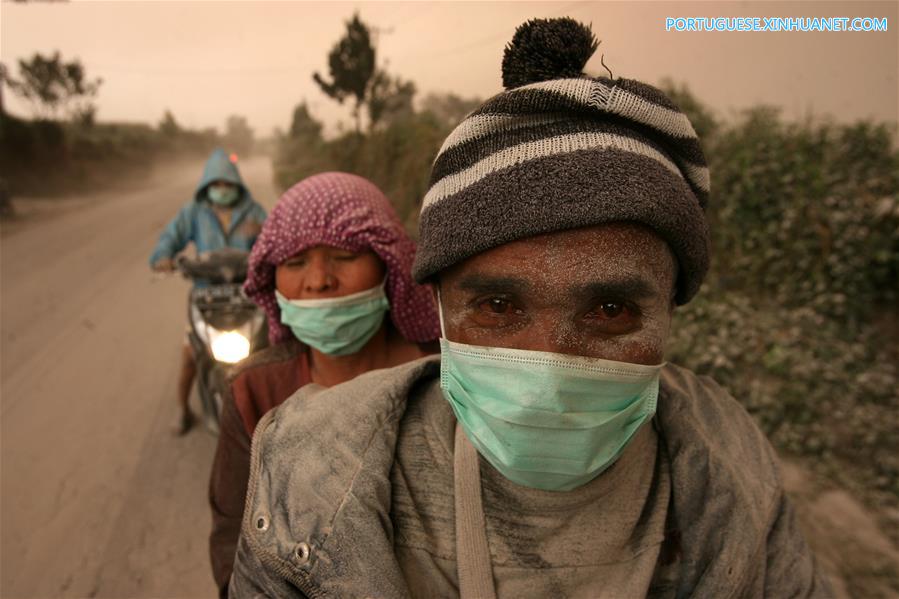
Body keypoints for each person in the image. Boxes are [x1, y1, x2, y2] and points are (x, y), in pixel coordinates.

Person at [229, 18, 830, 598]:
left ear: (669, 309)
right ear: (436, 305)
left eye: (612, 309)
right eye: (496, 305)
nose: (547, 372)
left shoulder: (738, 477)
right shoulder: (304, 478)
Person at [208, 172, 440, 597]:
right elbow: (231, 535)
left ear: (388, 265)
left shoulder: (442, 369)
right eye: (295, 263)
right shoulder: (253, 392)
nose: (318, 280)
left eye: (344, 256)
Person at [149, 148, 267, 435]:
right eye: (216, 184)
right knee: (191, 356)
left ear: (237, 184)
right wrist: (163, 257)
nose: (222, 189)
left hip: (248, 295)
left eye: (227, 183)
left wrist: (263, 233)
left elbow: (274, 238)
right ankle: (183, 409)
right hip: (206, 297)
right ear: (207, 186)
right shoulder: (193, 212)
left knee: (270, 350)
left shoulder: (253, 211)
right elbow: (168, 239)